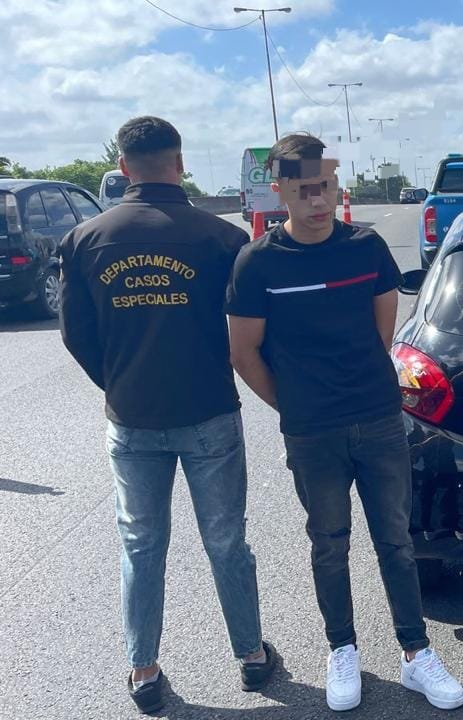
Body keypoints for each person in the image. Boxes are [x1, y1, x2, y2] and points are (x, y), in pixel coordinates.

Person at [225, 133, 463, 713]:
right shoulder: (258, 263)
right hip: (312, 431)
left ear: (337, 186)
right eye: (304, 189)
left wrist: (356, 388)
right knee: (329, 544)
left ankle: (415, 653)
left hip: (378, 420)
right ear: (280, 191)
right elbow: (243, 352)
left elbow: (382, 333)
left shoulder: (366, 248)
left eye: (325, 186)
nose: (317, 200)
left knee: (396, 542)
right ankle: (342, 650)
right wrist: (295, 406)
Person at [58, 116, 278, 715]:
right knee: (226, 541)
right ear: (179, 164)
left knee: (140, 545)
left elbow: (76, 335)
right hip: (209, 410)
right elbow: (252, 331)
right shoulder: (223, 239)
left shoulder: (85, 240)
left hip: (131, 416)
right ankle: (251, 656)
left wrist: (119, 381)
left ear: (122, 166)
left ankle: (144, 669)